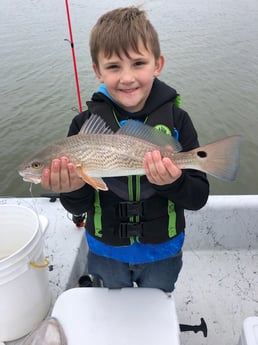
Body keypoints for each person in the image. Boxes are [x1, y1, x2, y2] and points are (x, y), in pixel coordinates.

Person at [41, 6, 209, 292]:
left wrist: (175, 181)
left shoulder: (177, 121)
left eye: (138, 63)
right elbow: (78, 206)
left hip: (163, 252)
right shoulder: (82, 125)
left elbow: (197, 198)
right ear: (97, 71)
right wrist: (70, 189)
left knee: (156, 301)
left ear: (158, 64)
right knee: (113, 307)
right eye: (114, 66)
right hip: (105, 252)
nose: (127, 77)